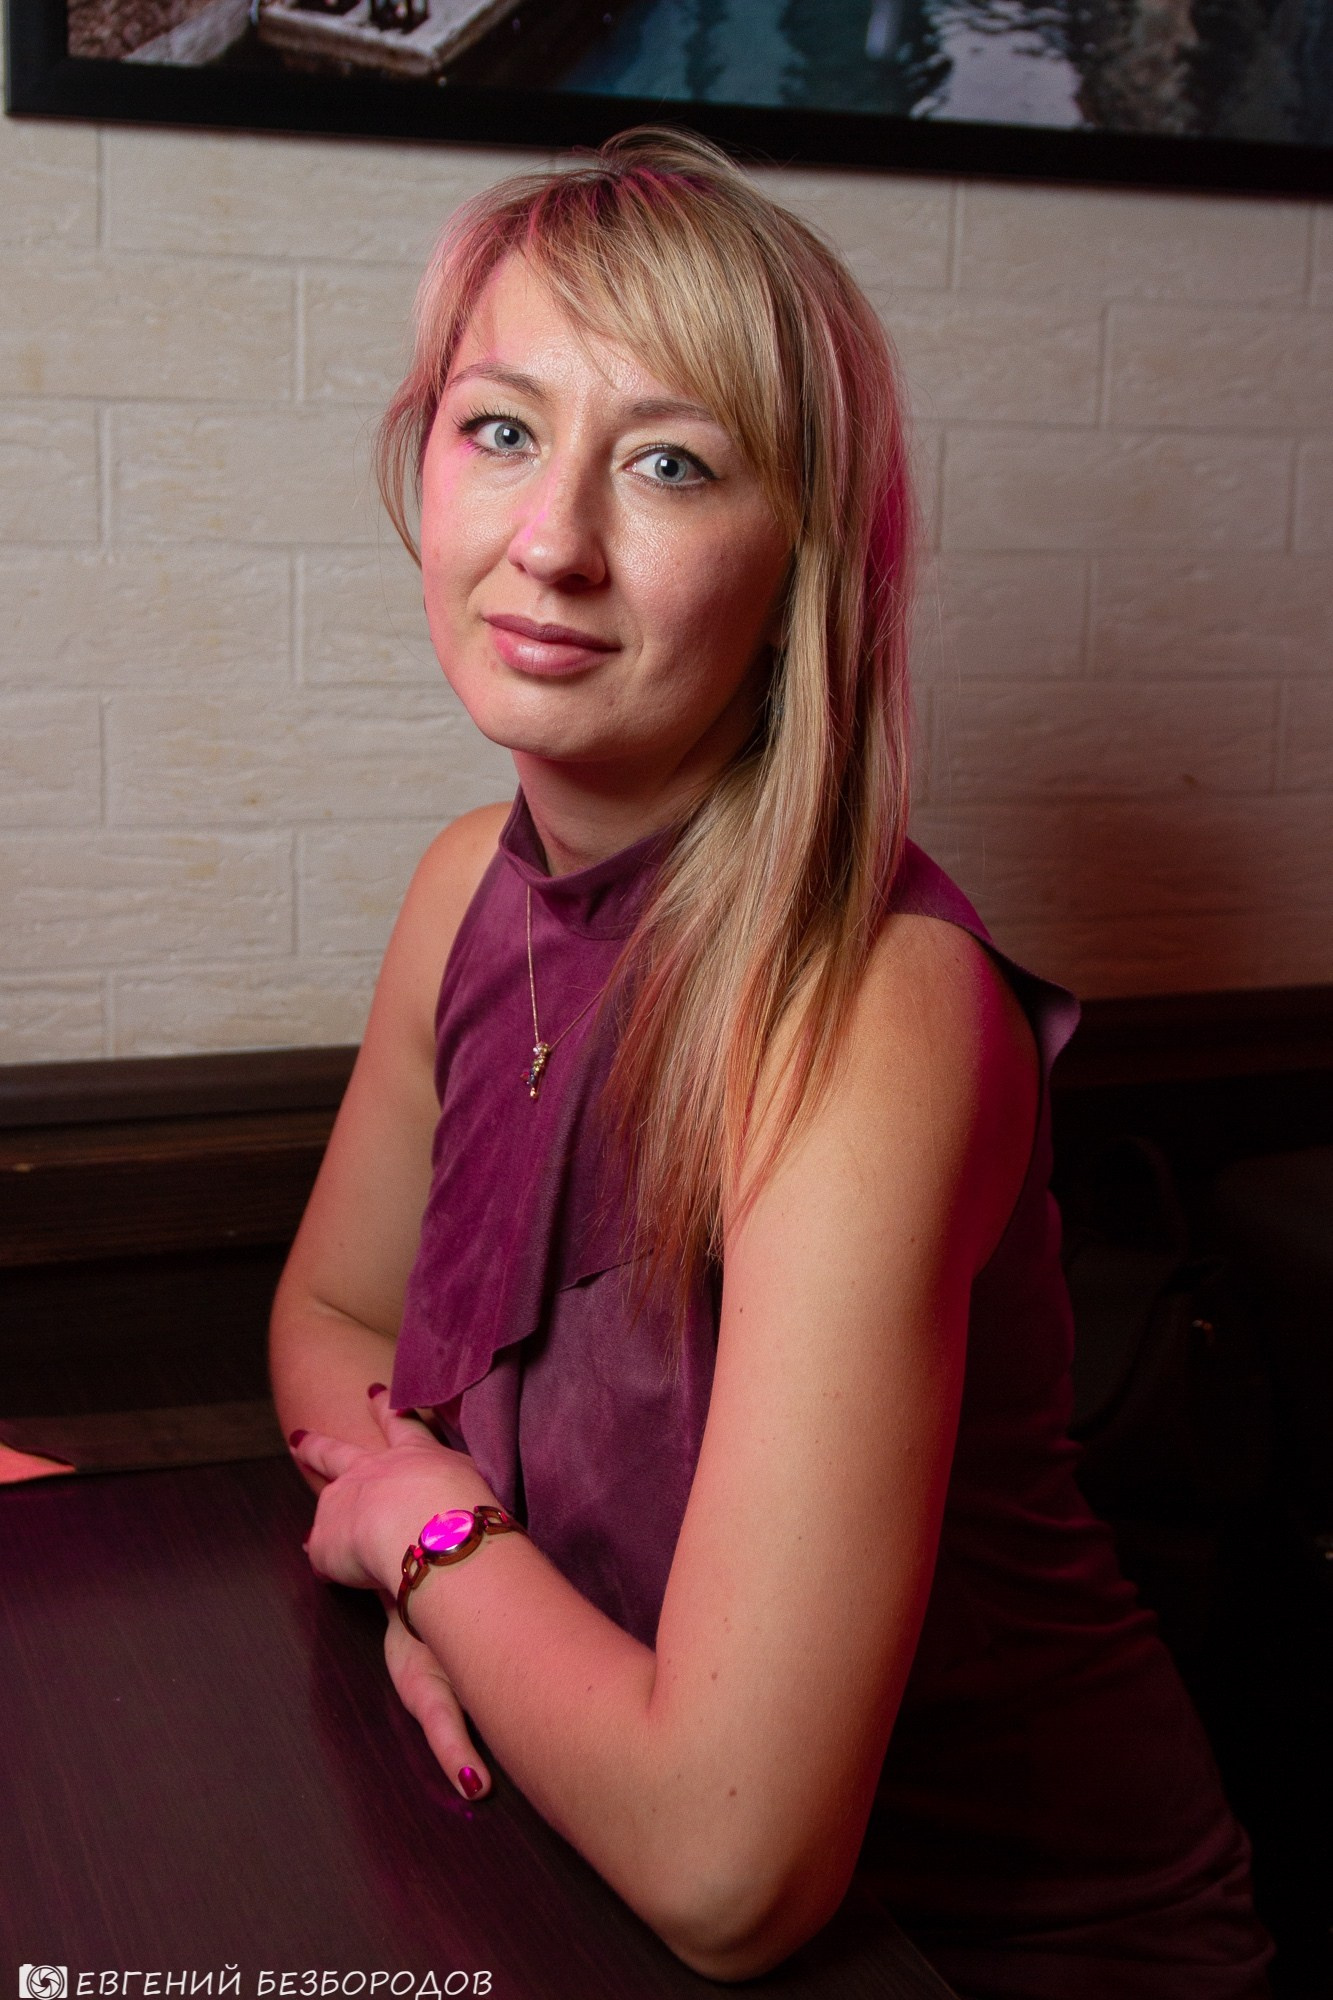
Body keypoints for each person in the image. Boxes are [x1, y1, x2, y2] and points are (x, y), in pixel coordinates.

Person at [272, 129, 1273, 1996]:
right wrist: (475, 1593)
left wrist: (428, 1546)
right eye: (500, 429)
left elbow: (732, 1868)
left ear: (802, 561)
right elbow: (328, 1320)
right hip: (569, 1868)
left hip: (987, 1952)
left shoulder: (869, 1010)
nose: (550, 539)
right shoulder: (463, 887)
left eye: (668, 463)